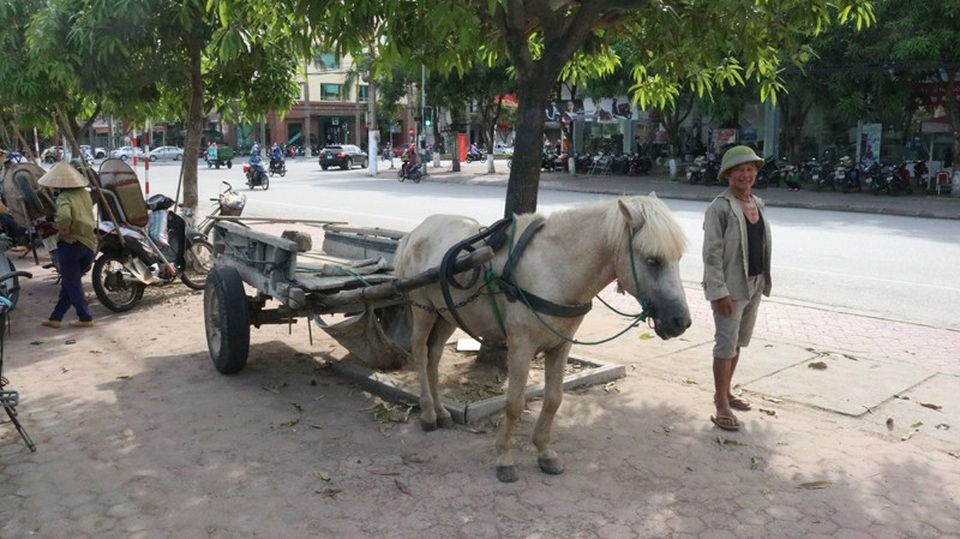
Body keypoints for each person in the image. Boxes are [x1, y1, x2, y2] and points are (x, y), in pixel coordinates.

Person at [702, 145, 772, 432]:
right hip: (730, 289)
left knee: (738, 343)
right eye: (740, 170)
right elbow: (711, 255)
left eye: (751, 169)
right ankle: (721, 403)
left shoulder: (758, 203)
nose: (747, 174)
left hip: (753, 283)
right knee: (725, 344)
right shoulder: (719, 208)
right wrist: (719, 292)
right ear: (729, 175)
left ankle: (727, 391)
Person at [39, 162, 97, 328]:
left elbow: (64, 217)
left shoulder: (64, 197)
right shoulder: (85, 194)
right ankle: (55, 318)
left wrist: (63, 232)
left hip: (72, 245)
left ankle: (85, 317)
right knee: (70, 282)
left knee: (72, 283)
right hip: (89, 243)